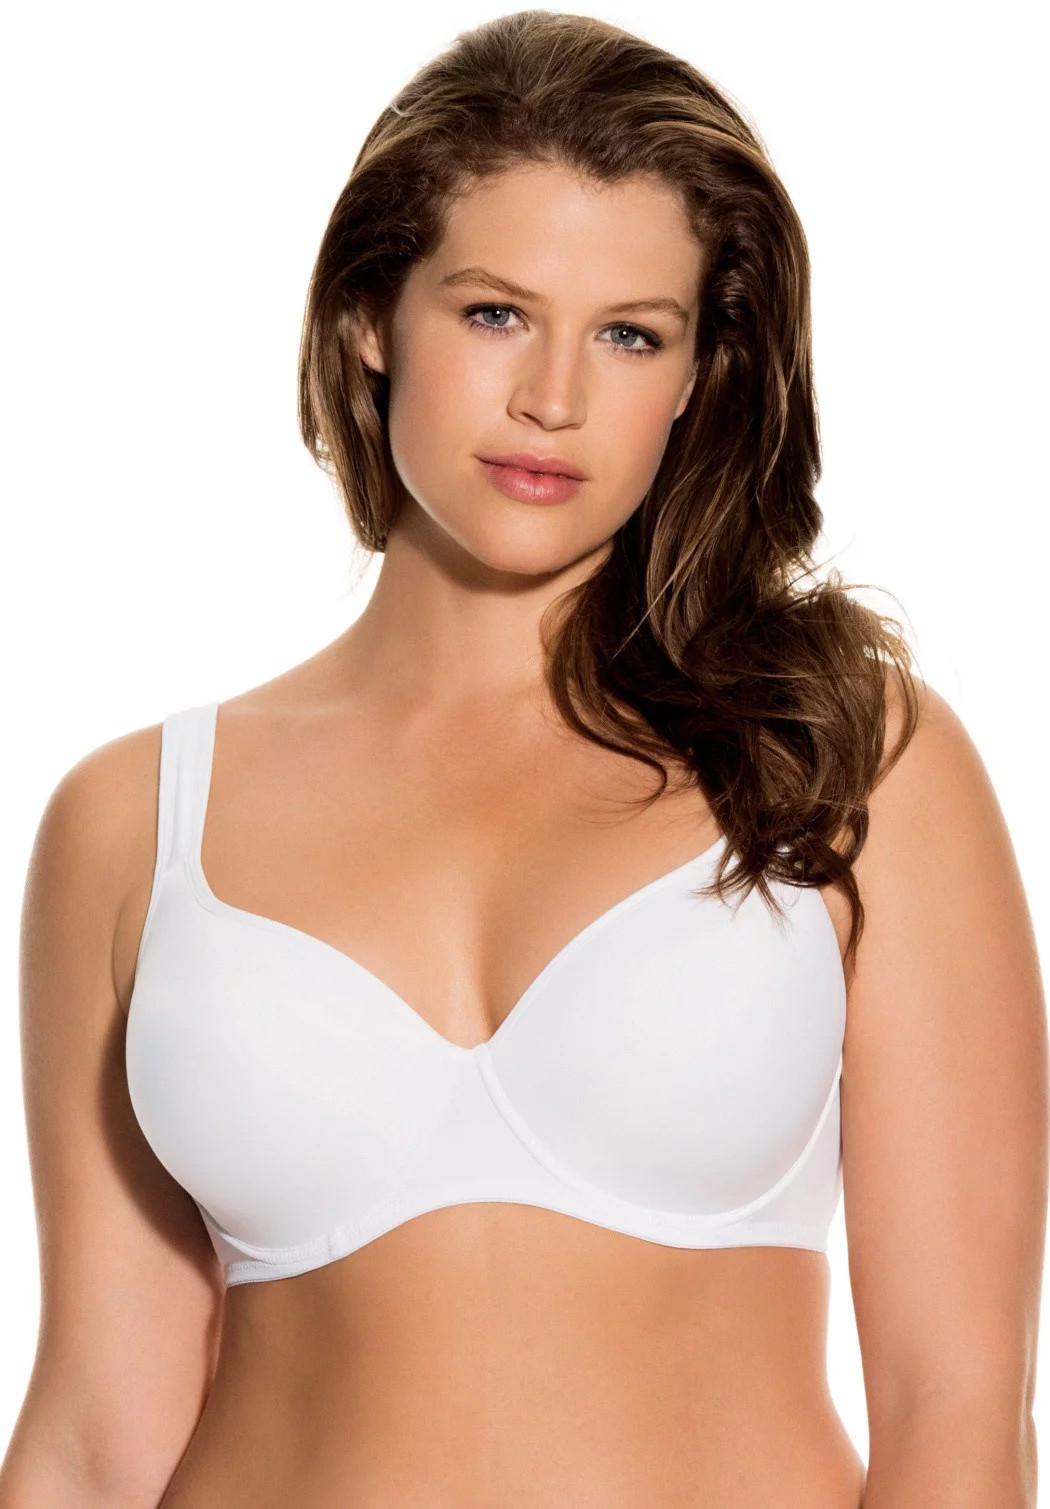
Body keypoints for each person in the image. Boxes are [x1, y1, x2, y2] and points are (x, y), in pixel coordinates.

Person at [2, 10, 1045, 1506]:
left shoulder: (844, 757)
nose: (554, 397)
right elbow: (95, 1435)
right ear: (370, 318)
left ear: (697, 377)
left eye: (630, 334)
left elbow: (959, 1408)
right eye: (495, 312)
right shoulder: (131, 821)